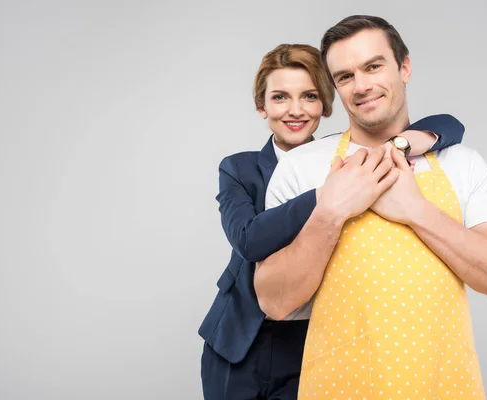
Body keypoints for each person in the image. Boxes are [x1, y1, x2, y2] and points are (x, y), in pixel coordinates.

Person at [257, 16, 487, 399]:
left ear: (404, 67)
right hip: (338, 388)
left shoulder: (461, 163)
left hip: (443, 387)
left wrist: (416, 210)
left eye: (373, 66)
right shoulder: (300, 167)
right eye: (345, 76)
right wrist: (330, 212)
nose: (362, 85)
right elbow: (274, 301)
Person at [199, 43, 466, 400]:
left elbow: (450, 125)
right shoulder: (239, 168)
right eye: (280, 97)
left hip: (314, 340)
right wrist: (329, 194)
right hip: (238, 341)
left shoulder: (343, 157)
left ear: (326, 104)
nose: (295, 110)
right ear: (262, 107)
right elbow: (248, 240)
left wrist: (401, 143)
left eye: (309, 96)